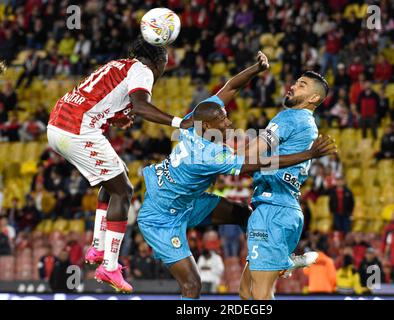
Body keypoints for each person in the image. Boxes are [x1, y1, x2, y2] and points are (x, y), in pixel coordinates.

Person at [137, 54, 337, 300]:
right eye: (222, 120)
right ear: (208, 127)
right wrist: (309, 154)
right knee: (193, 285)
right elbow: (256, 162)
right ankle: (277, 258)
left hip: (189, 201)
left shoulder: (194, 121)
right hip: (161, 216)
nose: (228, 121)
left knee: (246, 216)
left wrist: (256, 68)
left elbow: (230, 87)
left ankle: (274, 257)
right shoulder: (209, 155)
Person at [46, 37, 192, 293]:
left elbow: (100, 99)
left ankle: (98, 247)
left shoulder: (118, 65)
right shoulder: (143, 70)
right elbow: (142, 107)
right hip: (76, 129)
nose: (162, 71)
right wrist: (180, 123)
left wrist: (117, 118)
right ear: (158, 62)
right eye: (164, 66)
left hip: (59, 124)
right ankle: (109, 265)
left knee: (115, 178)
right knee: (124, 191)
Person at [240, 71, 332, 300]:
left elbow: (250, 157)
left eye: (302, 85)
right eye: (295, 81)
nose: (292, 86)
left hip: (273, 210)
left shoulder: (289, 118)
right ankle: (286, 261)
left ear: (313, 98)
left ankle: (286, 261)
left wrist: (215, 160)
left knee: (260, 296)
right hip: (282, 208)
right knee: (245, 292)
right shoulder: (308, 124)